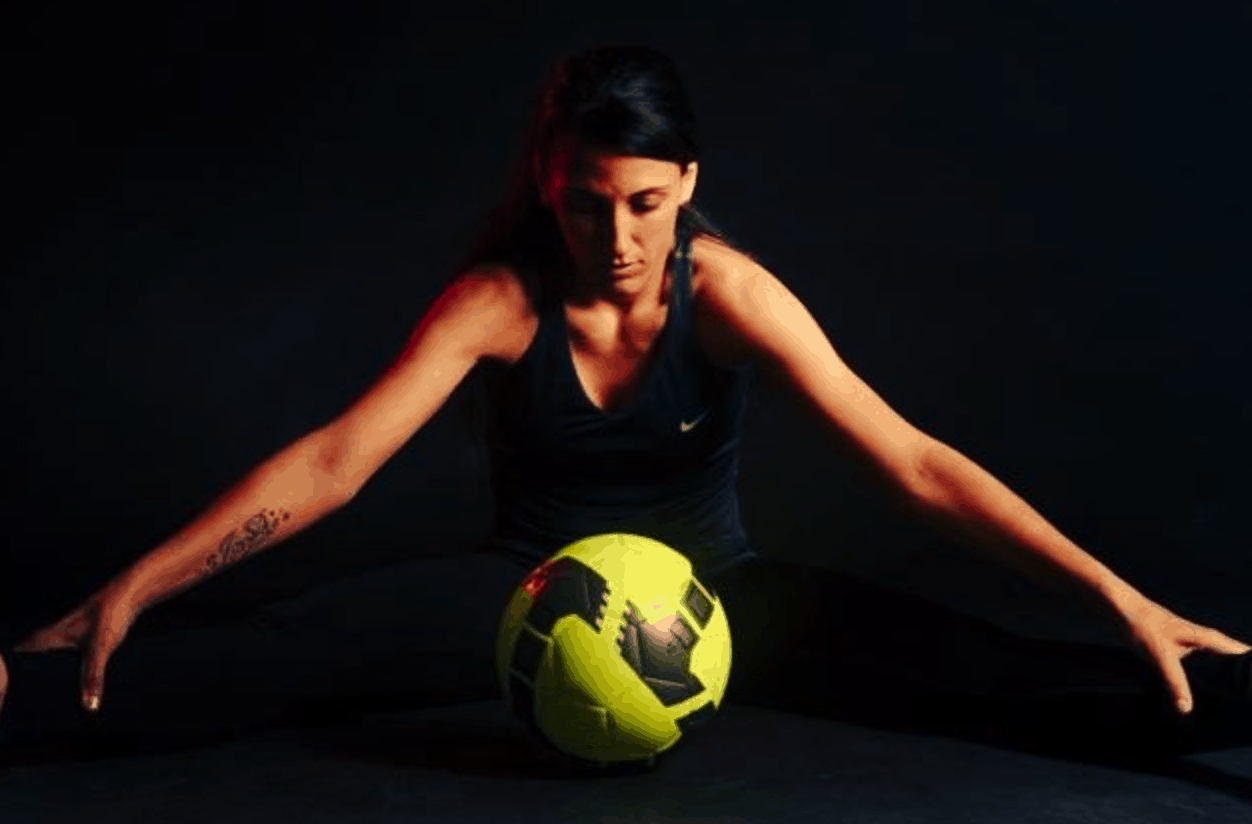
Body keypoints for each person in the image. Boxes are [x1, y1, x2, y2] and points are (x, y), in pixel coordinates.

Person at [2, 45, 1251, 770]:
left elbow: (914, 463)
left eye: (646, 203)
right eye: (587, 204)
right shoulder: (499, 301)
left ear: (686, 182)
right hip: (522, 598)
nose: (616, 238)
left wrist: (1116, 591)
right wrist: (137, 583)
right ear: (549, 186)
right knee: (271, 653)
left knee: (996, 676)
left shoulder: (731, 294)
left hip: (720, 603)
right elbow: (335, 460)